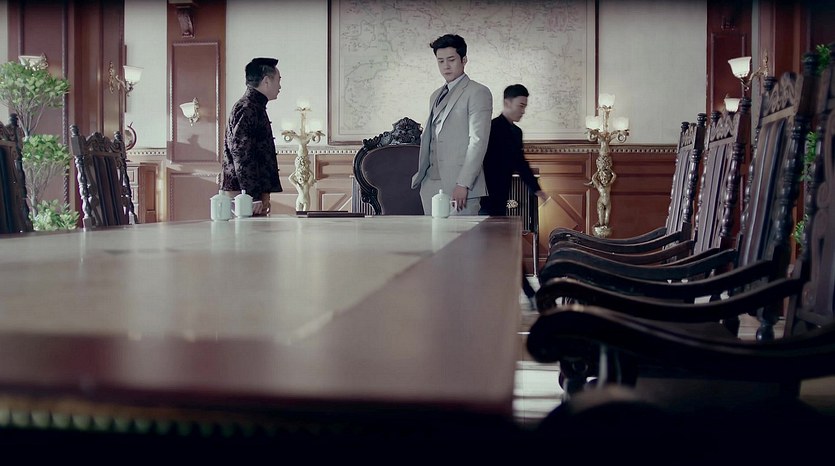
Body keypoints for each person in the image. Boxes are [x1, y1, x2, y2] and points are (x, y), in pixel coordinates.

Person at [411, 34, 492, 215]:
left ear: (464, 60)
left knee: (461, 234)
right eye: (440, 61)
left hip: (460, 187)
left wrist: (463, 183)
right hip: (430, 185)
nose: (446, 66)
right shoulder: (435, 95)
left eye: (451, 60)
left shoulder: (478, 92)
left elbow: (478, 141)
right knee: (433, 234)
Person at [221, 57, 283, 215]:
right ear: (266, 81)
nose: (280, 86)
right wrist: (251, 196)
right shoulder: (248, 108)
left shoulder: (253, 106)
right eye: (278, 80)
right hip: (243, 195)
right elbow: (242, 153)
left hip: (248, 193)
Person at [480, 84, 548, 216]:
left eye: (525, 107)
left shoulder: (517, 132)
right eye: (521, 106)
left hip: (502, 192)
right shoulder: (490, 128)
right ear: (507, 103)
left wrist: (536, 189)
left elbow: (521, 163)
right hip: (484, 195)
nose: (523, 111)